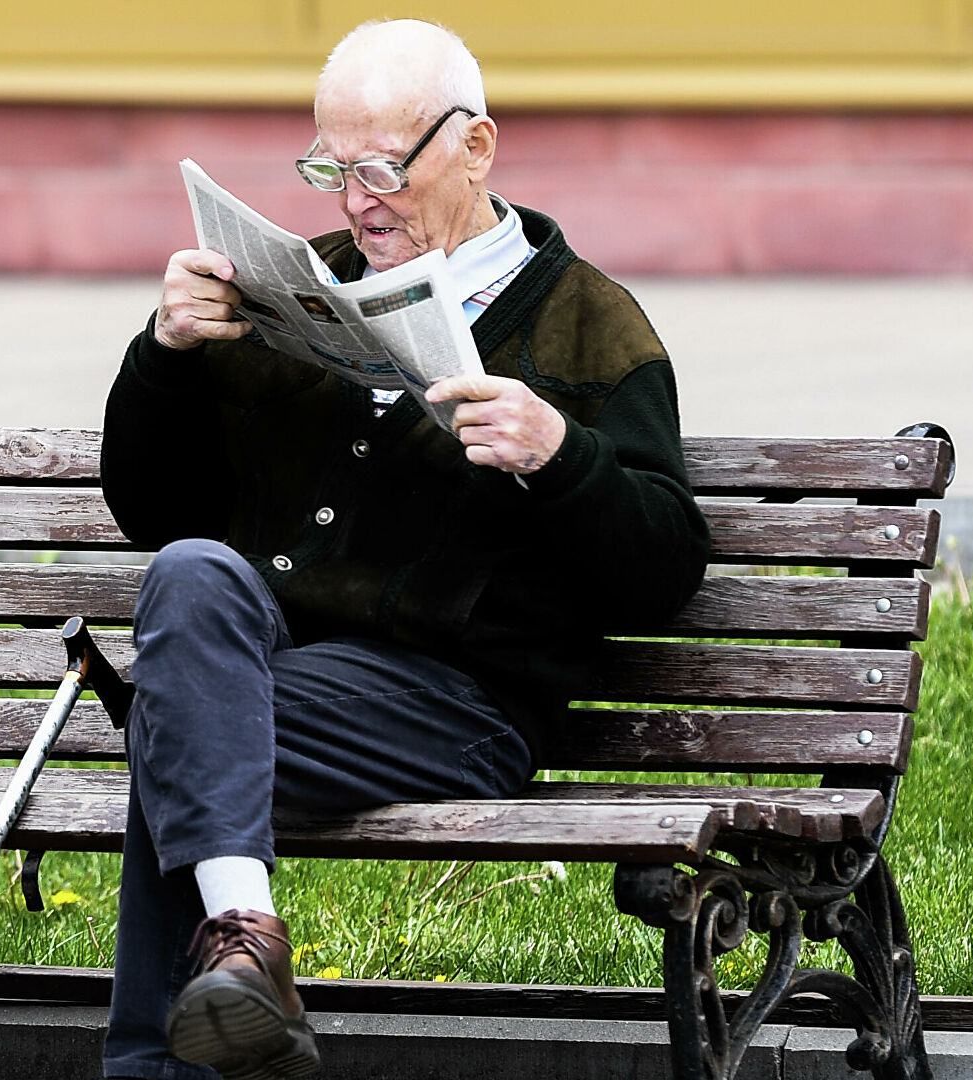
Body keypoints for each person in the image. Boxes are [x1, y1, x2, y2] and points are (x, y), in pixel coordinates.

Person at [97, 19, 711, 1080]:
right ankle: (249, 948)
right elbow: (155, 512)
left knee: (179, 718)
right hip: (273, 666)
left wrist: (560, 455)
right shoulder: (293, 284)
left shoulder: (589, 326)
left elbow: (664, 572)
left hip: (458, 706)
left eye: (383, 166)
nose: (353, 198)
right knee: (192, 577)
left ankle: (159, 1065)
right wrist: (164, 356)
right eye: (331, 165)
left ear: (475, 148)